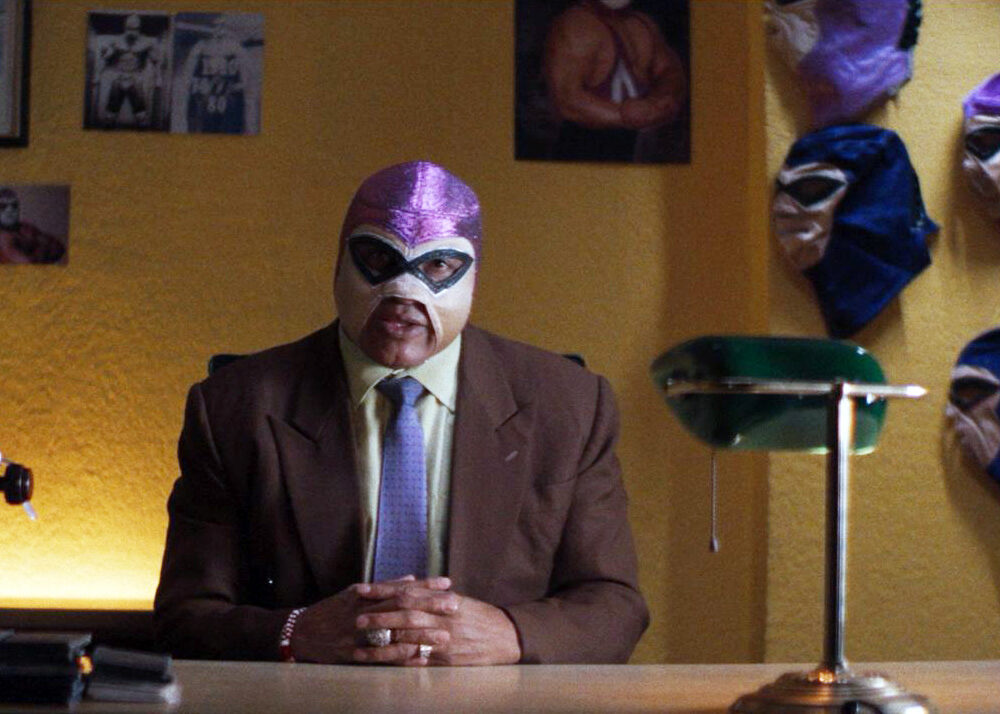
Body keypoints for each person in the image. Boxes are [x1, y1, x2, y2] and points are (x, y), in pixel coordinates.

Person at [153, 161, 648, 665]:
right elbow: (185, 616)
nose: (404, 294)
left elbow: (615, 607)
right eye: (378, 258)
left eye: (438, 266)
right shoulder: (235, 407)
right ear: (339, 263)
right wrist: (295, 632)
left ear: (474, 277)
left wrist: (511, 635)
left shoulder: (569, 405)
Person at [543, 0, 686, 162]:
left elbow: (670, 71)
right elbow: (567, 101)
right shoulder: (576, 24)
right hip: (589, 150)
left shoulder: (643, 23)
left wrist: (660, 100)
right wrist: (629, 117)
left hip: (639, 146)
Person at [174, 16, 256, 134]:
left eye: (221, 26)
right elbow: (186, 81)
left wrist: (249, 125)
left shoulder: (237, 49)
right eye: (215, 26)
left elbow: (248, 85)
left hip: (229, 111)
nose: (218, 30)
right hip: (205, 111)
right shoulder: (199, 49)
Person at [92, 14, 163, 129]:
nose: (131, 32)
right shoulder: (116, 42)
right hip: (118, 77)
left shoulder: (146, 43)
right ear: (125, 27)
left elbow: (156, 62)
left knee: (141, 116)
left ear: (139, 29)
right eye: (129, 28)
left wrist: (159, 78)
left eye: (134, 29)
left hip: (136, 77)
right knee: (110, 115)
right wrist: (97, 75)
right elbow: (104, 60)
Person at [0, 188, 66, 264]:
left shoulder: (26, 227)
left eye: (14, 206)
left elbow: (58, 247)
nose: (10, 210)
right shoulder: (3, 238)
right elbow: (29, 264)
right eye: (3, 206)